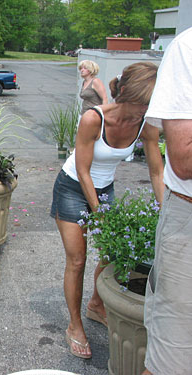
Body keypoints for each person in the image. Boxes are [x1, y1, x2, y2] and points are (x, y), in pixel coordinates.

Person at [50, 62, 164, 359]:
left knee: (113, 254)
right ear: (124, 92)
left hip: (104, 188)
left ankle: (96, 305)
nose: (144, 109)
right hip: (73, 186)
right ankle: (74, 325)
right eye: (141, 102)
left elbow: (156, 171)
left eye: (149, 104)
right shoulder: (93, 118)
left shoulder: (147, 123)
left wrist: (166, 210)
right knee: (77, 260)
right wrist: (100, 214)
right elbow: (84, 171)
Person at [142, 27, 192, 375]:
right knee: (172, 362)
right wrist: (97, 209)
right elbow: (181, 161)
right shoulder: (188, 47)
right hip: (187, 215)